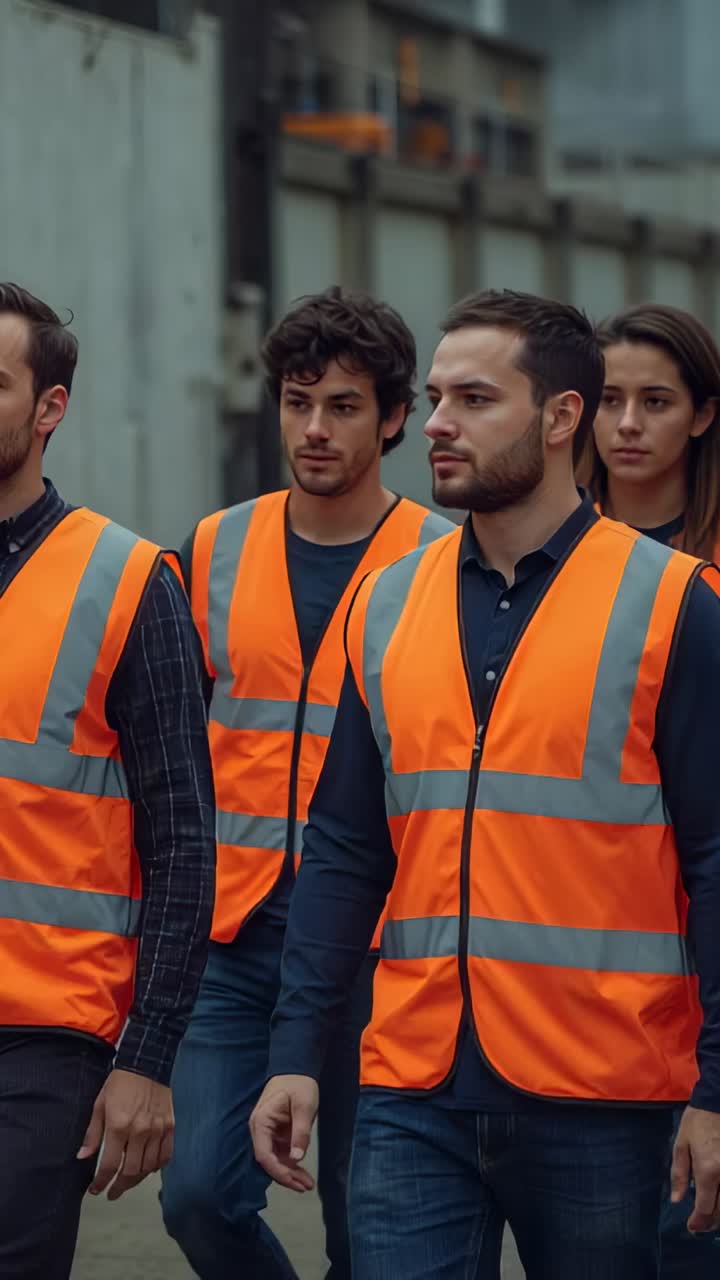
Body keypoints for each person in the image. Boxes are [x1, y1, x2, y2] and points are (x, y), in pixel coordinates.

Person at [250, 288, 720, 1280]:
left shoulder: (673, 603)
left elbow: (717, 859)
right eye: (435, 399)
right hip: (412, 1085)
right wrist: (295, 1051)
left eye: (474, 399)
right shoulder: (385, 604)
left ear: (560, 417)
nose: (438, 424)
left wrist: (717, 1088)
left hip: (605, 1095)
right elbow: (345, 849)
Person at [161, 285, 454, 1280]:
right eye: (298, 402)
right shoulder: (213, 548)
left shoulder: (440, 563)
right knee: (198, 1195)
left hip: (382, 942)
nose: (315, 428)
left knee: (368, 1228)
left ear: (396, 417)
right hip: (235, 936)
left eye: (343, 405)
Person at [0, 283, 215, 1280]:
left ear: (50, 407)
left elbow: (183, 840)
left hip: (42, 1035)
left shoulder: (127, 581)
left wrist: (148, 1056)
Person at [586, 301, 720, 1278]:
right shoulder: (542, 553)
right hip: (593, 944)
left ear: (703, 415)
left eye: (656, 401)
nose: (627, 423)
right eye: (608, 399)